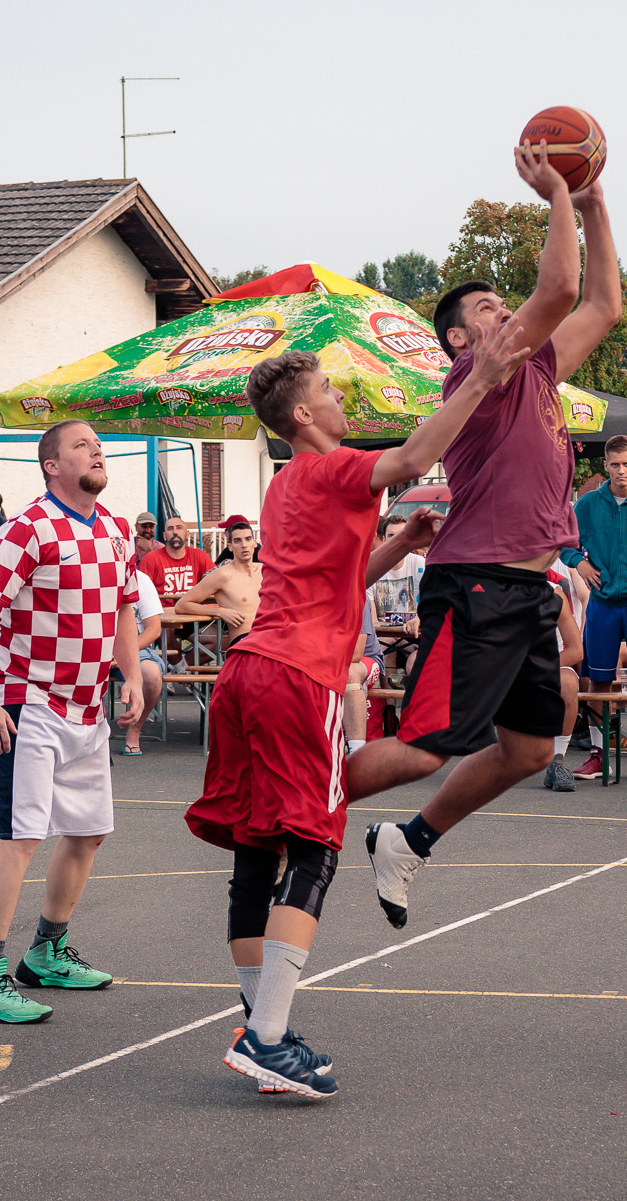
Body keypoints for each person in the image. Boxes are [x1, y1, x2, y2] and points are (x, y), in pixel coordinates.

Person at [186, 307, 527, 1098]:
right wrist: (481, 376)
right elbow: (415, 452)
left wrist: (397, 547)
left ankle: (259, 1024)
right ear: (303, 414)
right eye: (332, 390)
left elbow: (327, 586)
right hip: (296, 679)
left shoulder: (281, 488)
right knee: (315, 846)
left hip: (248, 670)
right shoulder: (329, 465)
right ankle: (266, 1037)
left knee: (255, 849)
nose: (342, 399)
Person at [344, 142, 621, 935]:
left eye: (507, 304)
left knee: (533, 746)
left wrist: (596, 203)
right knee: (429, 744)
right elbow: (561, 284)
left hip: (528, 586)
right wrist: (560, 191)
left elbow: (599, 303)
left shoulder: (536, 372)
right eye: (490, 309)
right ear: (461, 341)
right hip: (476, 581)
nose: (507, 313)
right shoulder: (478, 377)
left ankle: (409, 839)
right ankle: (297, 799)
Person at [0, 421, 144, 1025]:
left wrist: (131, 674)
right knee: (22, 836)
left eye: (98, 444)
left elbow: (120, 608)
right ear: (51, 465)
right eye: (82, 445)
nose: (96, 449)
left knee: (89, 833)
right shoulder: (27, 529)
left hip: (86, 707)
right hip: (27, 701)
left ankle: (47, 952)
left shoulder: (115, 529)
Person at [560, 436, 627, 786]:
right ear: (605, 466)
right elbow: (565, 543)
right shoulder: (588, 504)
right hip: (603, 603)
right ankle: (598, 754)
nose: (621, 470)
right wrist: (579, 564)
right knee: (598, 680)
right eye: (615, 464)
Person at [140, 516, 213, 669]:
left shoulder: (200, 556)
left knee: (220, 638)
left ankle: (179, 669)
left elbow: (215, 585)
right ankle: (181, 671)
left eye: (179, 528)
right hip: (164, 617)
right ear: (164, 535)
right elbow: (140, 592)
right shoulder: (151, 559)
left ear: (187, 534)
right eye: (170, 529)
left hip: (193, 615)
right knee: (162, 628)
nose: (175, 532)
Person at [176, 520, 262, 646]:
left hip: (270, 636)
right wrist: (220, 612)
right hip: (244, 641)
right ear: (230, 546)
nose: (244, 545)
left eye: (248, 539)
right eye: (238, 541)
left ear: (255, 543)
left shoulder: (265, 571)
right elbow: (181, 605)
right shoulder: (222, 574)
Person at [111, 567, 165, 757]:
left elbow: (153, 630)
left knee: (151, 675)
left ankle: (134, 731)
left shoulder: (140, 579)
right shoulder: (85, 572)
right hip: (91, 645)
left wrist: (120, 656)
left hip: (133, 648)